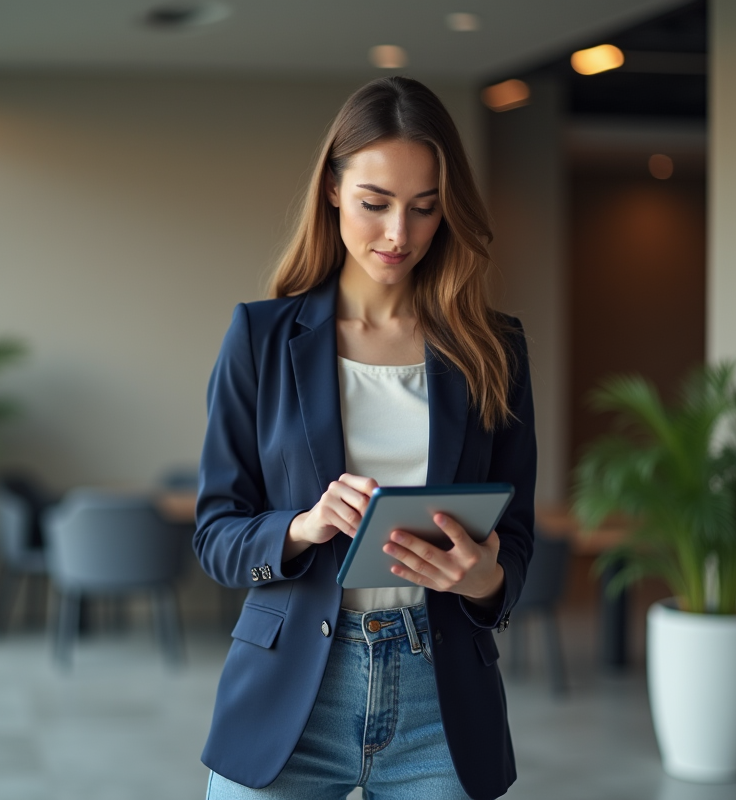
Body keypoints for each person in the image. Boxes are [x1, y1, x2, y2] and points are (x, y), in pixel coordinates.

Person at [193, 76, 536, 800]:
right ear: (332, 189)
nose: (398, 235)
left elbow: (519, 536)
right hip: (289, 692)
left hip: (436, 700)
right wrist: (304, 525)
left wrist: (486, 582)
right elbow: (217, 537)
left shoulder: (493, 348)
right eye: (375, 204)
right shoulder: (260, 338)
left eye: (425, 208)